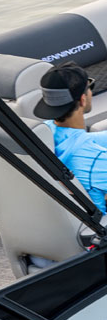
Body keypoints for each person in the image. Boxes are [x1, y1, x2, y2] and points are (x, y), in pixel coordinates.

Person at [33, 60, 107, 216]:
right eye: (90, 87)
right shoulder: (96, 158)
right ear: (83, 99)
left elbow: (82, 141)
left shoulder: (43, 133)